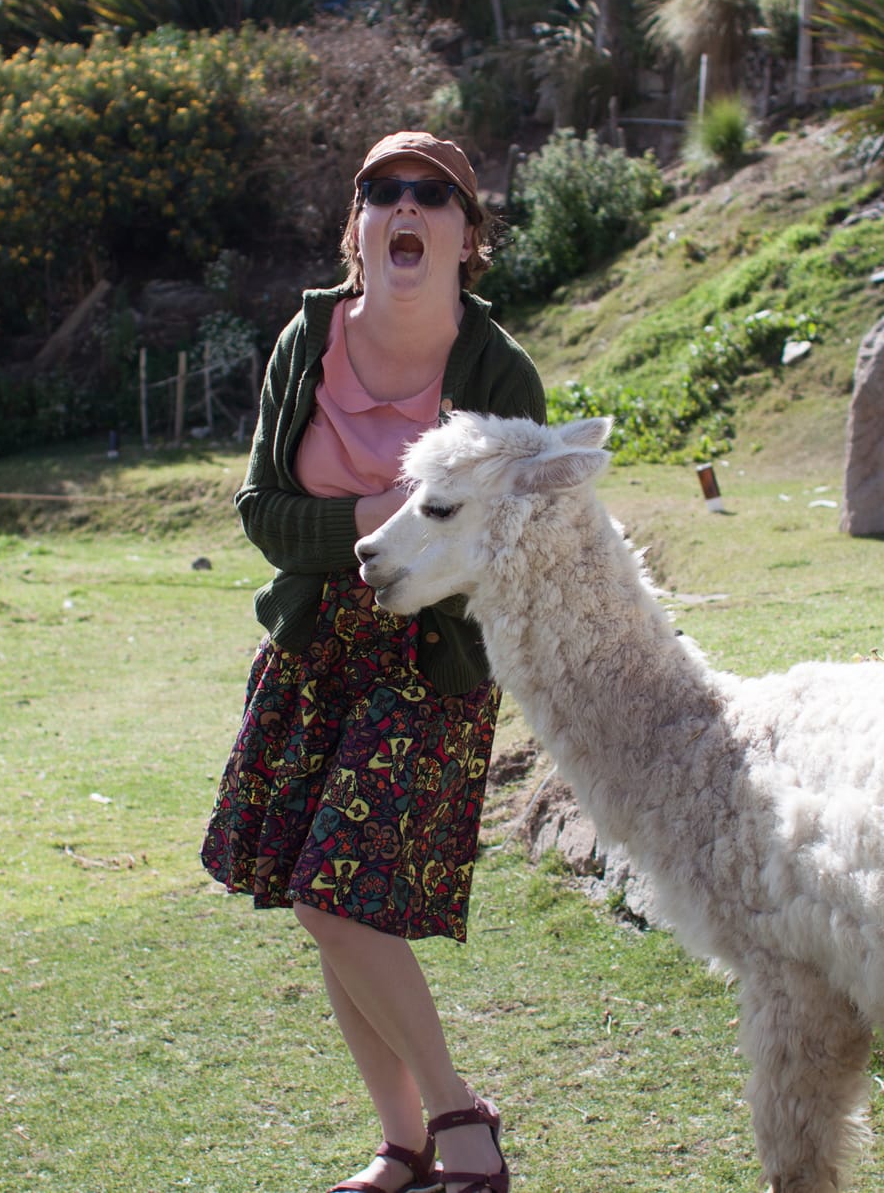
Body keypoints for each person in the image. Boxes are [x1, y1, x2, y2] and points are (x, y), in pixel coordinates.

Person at [201, 132, 546, 1193]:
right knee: (330, 911)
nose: (405, 207)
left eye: (431, 195)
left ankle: (455, 1113)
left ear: (465, 235)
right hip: (314, 650)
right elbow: (261, 510)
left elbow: (514, 532)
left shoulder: (499, 374)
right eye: (381, 193)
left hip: (427, 659)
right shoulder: (305, 342)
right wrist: (366, 516)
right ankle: (400, 1144)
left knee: (331, 897)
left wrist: (419, 540)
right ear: (357, 229)